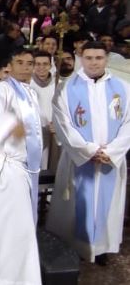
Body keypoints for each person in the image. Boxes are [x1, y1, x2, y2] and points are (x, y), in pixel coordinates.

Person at [47, 41, 130, 265]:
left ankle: (101, 248)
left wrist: (112, 152)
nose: (94, 62)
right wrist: (90, 151)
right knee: (76, 203)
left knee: (107, 203)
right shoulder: (67, 88)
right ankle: (77, 248)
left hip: (110, 160)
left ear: (107, 59)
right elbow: (63, 125)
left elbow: (128, 124)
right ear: (81, 59)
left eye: (99, 58)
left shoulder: (123, 88)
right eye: (89, 58)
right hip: (79, 159)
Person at [0, 48, 42, 285]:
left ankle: (20, 275)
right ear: (10, 65)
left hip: (24, 167)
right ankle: (5, 277)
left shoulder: (30, 93)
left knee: (20, 227)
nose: (26, 67)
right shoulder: (2, 89)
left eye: (30, 63)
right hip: (7, 169)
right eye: (20, 62)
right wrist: (9, 125)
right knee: (9, 226)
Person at [30, 51, 57, 170]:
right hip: (33, 132)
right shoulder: (27, 84)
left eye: (45, 64)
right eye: (38, 64)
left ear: (51, 66)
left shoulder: (58, 84)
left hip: (53, 131)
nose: (41, 68)